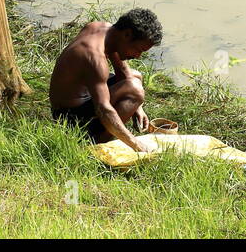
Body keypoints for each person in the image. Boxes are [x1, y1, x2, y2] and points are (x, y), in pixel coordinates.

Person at [49, 9, 163, 151]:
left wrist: (138, 108)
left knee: (135, 76)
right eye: (138, 49)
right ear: (127, 35)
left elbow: (124, 73)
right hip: (69, 116)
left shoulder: (103, 30)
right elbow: (103, 109)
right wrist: (136, 144)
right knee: (135, 90)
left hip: (84, 94)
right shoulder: (94, 58)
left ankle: (101, 136)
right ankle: (92, 143)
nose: (138, 56)